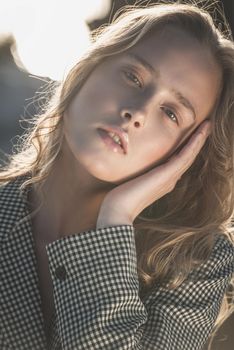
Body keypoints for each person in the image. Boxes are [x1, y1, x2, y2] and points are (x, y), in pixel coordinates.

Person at [0, 2, 233, 350]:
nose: (137, 112)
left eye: (170, 113)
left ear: (189, 150)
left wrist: (115, 221)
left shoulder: (195, 261)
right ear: (88, 70)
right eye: (133, 77)